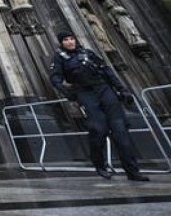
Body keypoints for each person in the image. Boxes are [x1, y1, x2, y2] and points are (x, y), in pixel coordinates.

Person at [49, 31, 149, 182]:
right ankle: (100, 165)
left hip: (104, 89)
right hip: (85, 92)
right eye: (65, 40)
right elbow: (55, 78)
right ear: (61, 43)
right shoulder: (60, 58)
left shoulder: (88, 53)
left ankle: (133, 172)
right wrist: (68, 92)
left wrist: (122, 89)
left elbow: (107, 71)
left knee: (120, 131)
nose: (69, 42)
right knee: (98, 129)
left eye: (71, 39)